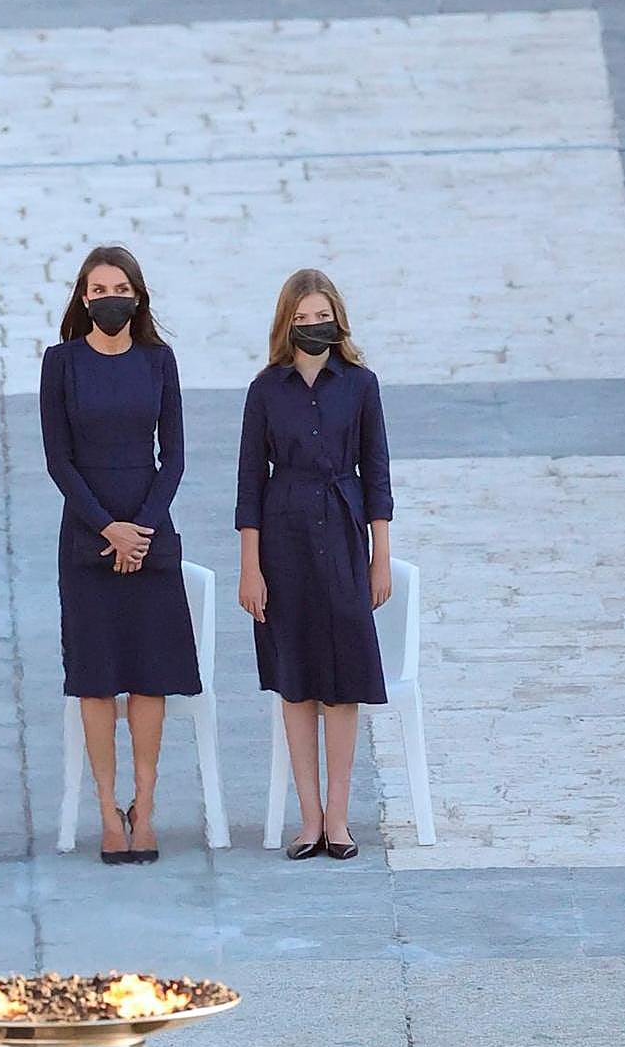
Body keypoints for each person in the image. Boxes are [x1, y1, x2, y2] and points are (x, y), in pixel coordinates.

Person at [40, 245, 199, 866]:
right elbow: (59, 460)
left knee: (150, 676)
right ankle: (108, 809)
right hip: (86, 533)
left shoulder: (160, 362)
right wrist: (110, 529)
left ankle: (147, 807)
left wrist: (142, 529)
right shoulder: (62, 364)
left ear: (138, 296)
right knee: (99, 677)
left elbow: (176, 455)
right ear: (84, 298)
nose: (111, 298)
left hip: (151, 528)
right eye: (98, 289)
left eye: (121, 287)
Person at [236, 269, 392, 862]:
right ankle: (307, 819)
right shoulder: (265, 389)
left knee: (343, 681)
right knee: (296, 681)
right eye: (301, 319)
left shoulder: (360, 384)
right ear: (286, 324)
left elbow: (377, 474)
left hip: (346, 532)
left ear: (337, 319)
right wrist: (250, 567)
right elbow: (249, 483)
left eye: (320, 316)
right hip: (284, 536)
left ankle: (339, 817)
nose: (312, 327)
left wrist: (381, 557)